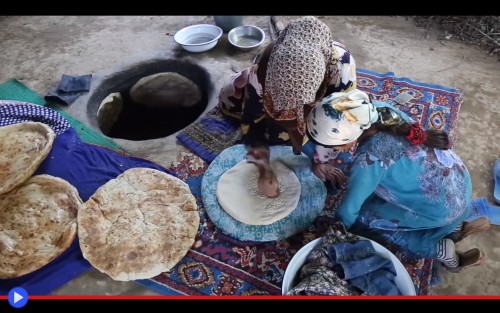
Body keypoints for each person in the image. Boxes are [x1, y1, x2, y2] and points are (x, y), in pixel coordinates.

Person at [305, 88, 490, 272]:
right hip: (461, 184)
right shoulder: (380, 111)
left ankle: (439, 249)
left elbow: (349, 210)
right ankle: (457, 225)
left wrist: (335, 233)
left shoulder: (368, 161)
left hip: (443, 209)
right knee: (414, 192)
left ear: (347, 141)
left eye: (331, 145)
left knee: (365, 216)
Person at [218, 16, 355, 198]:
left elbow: (338, 125)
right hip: (265, 88)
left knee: (329, 129)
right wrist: (264, 168)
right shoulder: (265, 67)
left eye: (295, 112)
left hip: (323, 99)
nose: (290, 115)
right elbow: (251, 120)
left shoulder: (341, 71)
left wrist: (322, 160)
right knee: (229, 103)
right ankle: (241, 83)